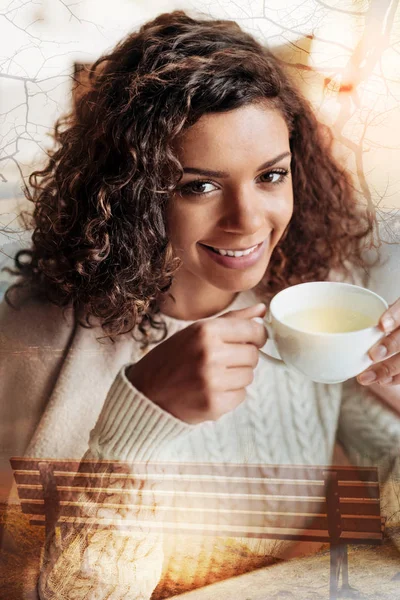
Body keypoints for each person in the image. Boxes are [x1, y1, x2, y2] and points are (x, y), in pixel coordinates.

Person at [1, 9, 400, 600]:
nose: (247, 221)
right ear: (131, 194)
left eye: (271, 175)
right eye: (199, 186)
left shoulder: (305, 307)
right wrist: (133, 429)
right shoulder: (35, 346)